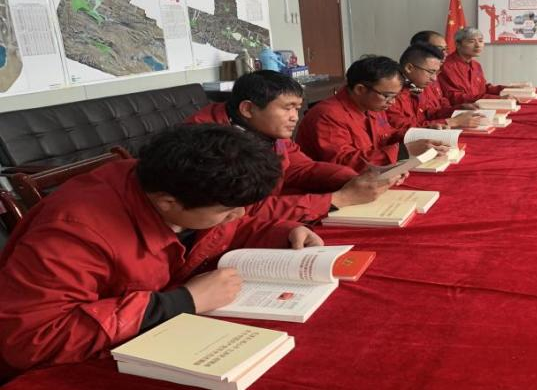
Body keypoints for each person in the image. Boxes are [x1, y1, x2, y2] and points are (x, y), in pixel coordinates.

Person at [0, 125, 324, 378]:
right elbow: (32, 340)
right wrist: (182, 301)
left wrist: (283, 231)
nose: (238, 215)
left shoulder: (182, 187)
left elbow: (227, 228)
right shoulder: (73, 233)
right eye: (228, 210)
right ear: (167, 202)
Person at [186, 71, 396, 219]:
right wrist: (339, 198)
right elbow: (242, 211)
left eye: (297, 108)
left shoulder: (264, 128)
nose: (295, 117)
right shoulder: (208, 145)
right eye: (287, 108)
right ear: (248, 109)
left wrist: (352, 178)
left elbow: (300, 167)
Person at [295, 56, 448, 170]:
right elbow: (344, 162)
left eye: (395, 96)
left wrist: (422, 133)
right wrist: (403, 151)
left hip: (376, 174)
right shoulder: (327, 115)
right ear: (360, 89)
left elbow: (386, 136)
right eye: (387, 96)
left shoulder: (371, 104)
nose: (392, 102)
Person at [386, 42, 486, 131]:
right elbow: (402, 129)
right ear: (409, 68)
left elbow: (430, 114)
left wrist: (459, 108)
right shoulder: (390, 92)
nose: (434, 78)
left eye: (437, 72)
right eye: (430, 72)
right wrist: (452, 122)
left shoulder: (418, 84)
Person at [437, 27, 508, 105]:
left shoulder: (476, 65)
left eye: (480, 41)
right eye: (471, 41)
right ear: (458, 44)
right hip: (461, 110)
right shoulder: (446, 66)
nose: (478, 45)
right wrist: (497, 98)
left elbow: (483, 89)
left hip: (480, 107)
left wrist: (508, 89)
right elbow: (455, 97)